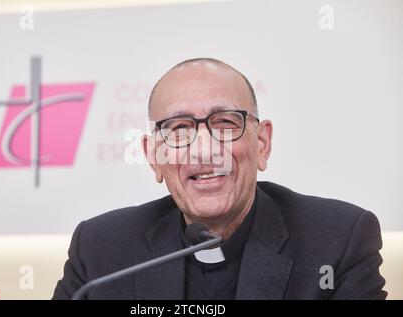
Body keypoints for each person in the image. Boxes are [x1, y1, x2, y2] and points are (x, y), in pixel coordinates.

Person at [53, 58, 386, 300]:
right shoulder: (100, 250)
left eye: (225, 123)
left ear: (262, 144)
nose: (204, 149)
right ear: (154, 156)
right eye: (179, 128)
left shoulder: (338, 240)